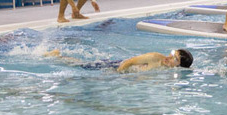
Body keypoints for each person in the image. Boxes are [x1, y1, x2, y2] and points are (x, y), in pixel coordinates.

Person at [44, 48, 193, 73]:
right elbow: (130, 62)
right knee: (80, 65)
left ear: (178, 66)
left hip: (120, 69)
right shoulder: (155, 57)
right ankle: (57, 56)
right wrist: (117, 73)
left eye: (174, 58)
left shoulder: (166, 71)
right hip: (116, 66)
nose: (169, 57)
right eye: (172, 53)